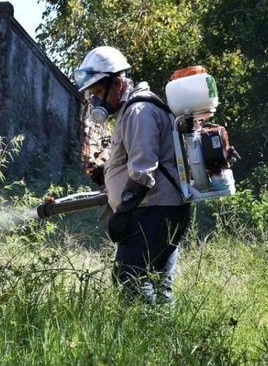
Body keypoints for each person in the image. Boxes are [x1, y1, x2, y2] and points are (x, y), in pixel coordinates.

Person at [74, 46, 191, 305]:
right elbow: (141, 156)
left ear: (116, 83)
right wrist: (108, 172)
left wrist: (123, 213)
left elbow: (143, 169)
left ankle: (147, 334)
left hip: (154, 210)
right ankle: (165, 339)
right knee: (159, 284)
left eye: (96, 93)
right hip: (162, 208)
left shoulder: (139, 111)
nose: (94, 101)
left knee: (130, 279)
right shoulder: (131, 110)